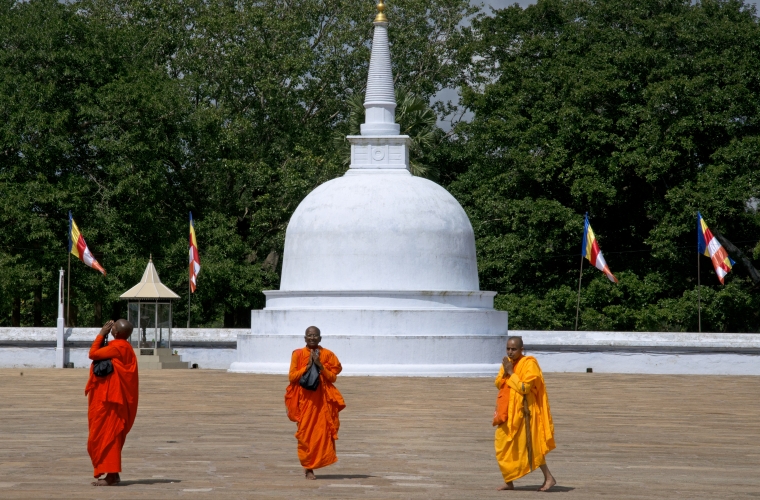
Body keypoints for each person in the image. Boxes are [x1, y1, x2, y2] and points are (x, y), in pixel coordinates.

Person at [493, 336, 556, 492]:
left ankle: (549, 478)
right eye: (508, 348)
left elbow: (524, 388)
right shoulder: (507, 363)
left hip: (525, 412)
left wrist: (511, 373)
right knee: (502, 443)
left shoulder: (529, 364)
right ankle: (509, 480)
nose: (510, 352)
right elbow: (497, 383)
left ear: (522, 349)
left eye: (514, 349)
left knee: (531, 445)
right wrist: (507, 372)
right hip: (508, 411)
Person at [285, 326, 346, 480]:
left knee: (321, 434)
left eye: (315, 335)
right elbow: (292, 377)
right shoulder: (298, 354)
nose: (312, 338)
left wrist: (319, 365)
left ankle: (315, 463)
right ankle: (308, 467)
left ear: (320, 338)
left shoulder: (327, 354)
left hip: (322, 401)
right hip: (304, 401)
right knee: (305, 435)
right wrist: (307, 367)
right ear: (305, 338)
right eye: (309, 335)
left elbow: (332, 378)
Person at [85, 319, 139, 486]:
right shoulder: (127, 348)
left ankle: (111, 477)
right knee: (112, 436)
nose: (110, 328)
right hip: (115, 399)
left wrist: (101, 334)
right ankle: (113, 474)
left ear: (115, 333)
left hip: (111, 400)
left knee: (108, 435)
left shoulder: (117, 347)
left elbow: (93, 354)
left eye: (112, 327)